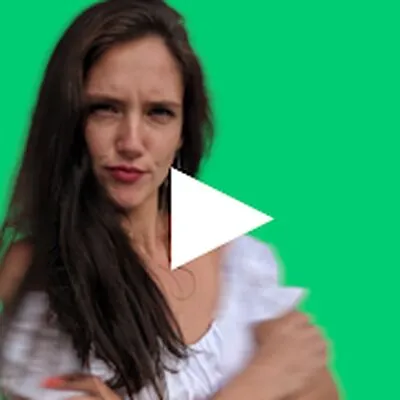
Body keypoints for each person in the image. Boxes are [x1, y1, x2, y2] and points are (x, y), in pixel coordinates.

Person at [0, 0, 339, 399]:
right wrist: (259, 382)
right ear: (71, 120)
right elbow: (282, 372)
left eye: (159, 113)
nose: (131, 142)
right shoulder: (40, 275)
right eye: (106, 109)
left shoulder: (239, 261)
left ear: (182, 133)